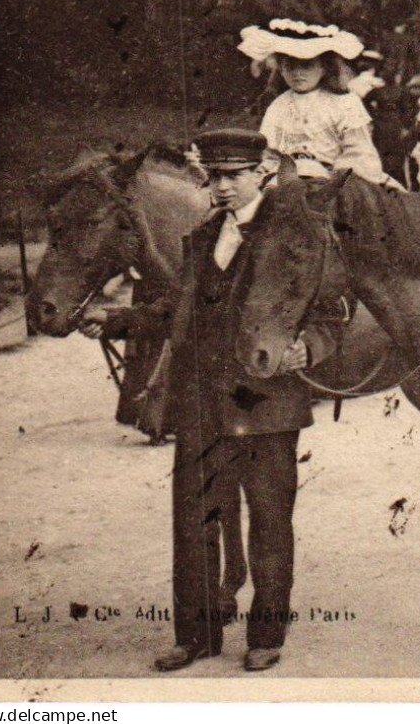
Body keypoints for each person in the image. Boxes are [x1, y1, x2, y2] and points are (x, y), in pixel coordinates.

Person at [78, 129, 345, 673]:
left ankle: (266, 635)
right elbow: (180, 310)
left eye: (233, 176)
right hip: (201, 401)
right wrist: (119, 319)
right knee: (194, 517)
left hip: (267, 402)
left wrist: (306, 350)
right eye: (213, 177)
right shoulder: (202, 238)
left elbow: (334, 312)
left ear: (262, 173)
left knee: (269, 520)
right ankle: (196, 636)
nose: (221, 187)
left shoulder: (298, 235)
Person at [237, 18, 389, 184]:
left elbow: (359, 153)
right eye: (290, 66)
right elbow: (269, 155)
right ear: (281, 69)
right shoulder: (278, 106)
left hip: (335, 180)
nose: (298, 73)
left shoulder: (345, 103)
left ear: (324, 68)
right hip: (286, 180)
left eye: (306, 66)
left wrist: (336, 180)